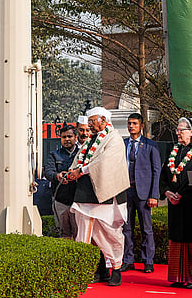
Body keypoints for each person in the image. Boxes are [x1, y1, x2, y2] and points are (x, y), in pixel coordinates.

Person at [67, 107, 130, 286]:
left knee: (109, 234)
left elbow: (105, 162)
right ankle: (94, 271)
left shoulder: (114, 139)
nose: (90, 125)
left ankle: (116, 268)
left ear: (103, 120)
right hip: (84, 194)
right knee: (84, 235)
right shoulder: (90, 141)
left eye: (92, 121)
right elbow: (79, 159)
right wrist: (71, 172)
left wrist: (81, 171)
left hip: (105, 195)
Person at [159, 117, 192, 289]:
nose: (178, 133)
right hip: (175, 203)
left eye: (182, 130)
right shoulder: (172, 151)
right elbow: (164, 175)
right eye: (177, 130)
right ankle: (178, 277)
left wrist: (180, 193)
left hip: (191, 202)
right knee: (176, 238)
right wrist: (166, 191)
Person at [120, 113, 161, 274]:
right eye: (129, 123)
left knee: (146, 229)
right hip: (126, 191)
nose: (131, 126)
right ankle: (128, 260)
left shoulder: (150, 145)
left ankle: (148, 261)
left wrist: (154, 195)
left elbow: (156, 171)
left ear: (141, 126)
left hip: (144, 193)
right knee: (126, 228)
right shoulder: (122, 144)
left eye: (135, 123)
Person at [44, 124, 79, 238]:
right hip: (60, 200)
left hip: (78, 200)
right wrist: (57, 176)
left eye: (70, 136)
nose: (67, 140)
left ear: (75, 137)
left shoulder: (82, 154)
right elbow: (48, 172)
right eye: (64, 137)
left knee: (79, 233)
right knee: (63, 233)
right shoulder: (54, 155)